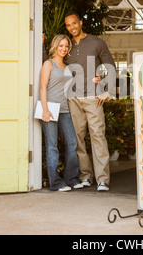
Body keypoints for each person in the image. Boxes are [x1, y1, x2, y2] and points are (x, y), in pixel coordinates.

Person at [64, 11, 116, 192]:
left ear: (81, 21)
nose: (72, 27)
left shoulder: (97, 43)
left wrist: (107, 91)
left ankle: (102, 179)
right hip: (74, 98)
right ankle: (85, 176)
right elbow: (55, 65)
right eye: (68, 25)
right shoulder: (67, 46)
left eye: (74, 23)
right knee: (78, 138)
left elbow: (111, 66)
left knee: (97, 136)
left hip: (93, 98)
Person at [40, 34, 83, 192]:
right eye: (61, 46)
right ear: (55, 47)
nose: (64, 49)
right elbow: (42, 87)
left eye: (66, 46)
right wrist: (45, 109)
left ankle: (71, 179)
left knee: (72, 143)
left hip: (65, 109)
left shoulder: (67, 67)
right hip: (50, 109)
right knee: (52, 146)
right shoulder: (48, 64)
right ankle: (56, 183)